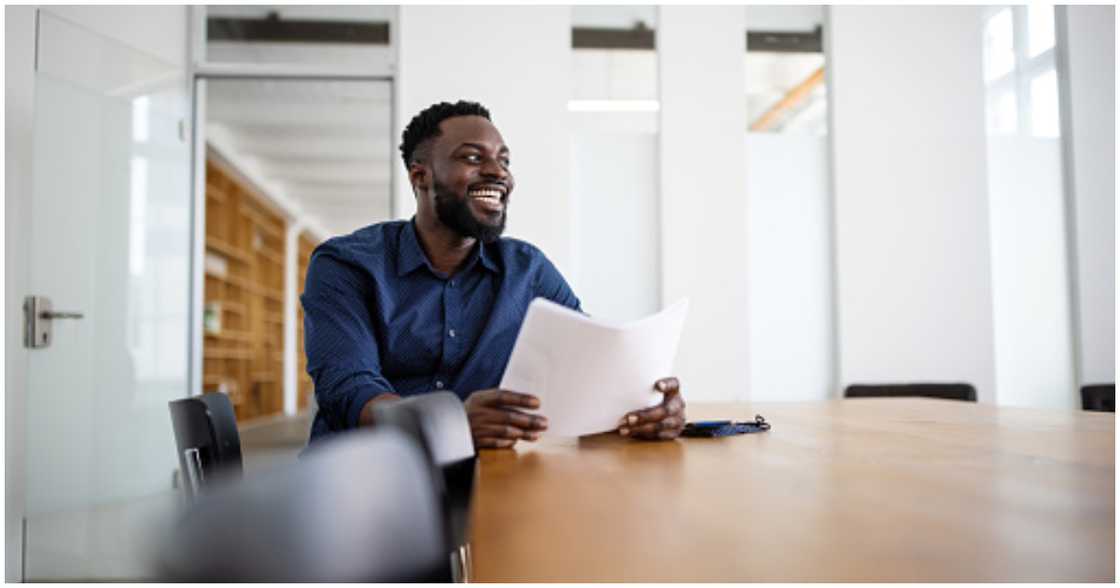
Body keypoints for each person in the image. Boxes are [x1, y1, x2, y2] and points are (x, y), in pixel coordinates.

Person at [301, 100, 685, 449]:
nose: (497, 172)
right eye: (472, 157)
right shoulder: (346, 265)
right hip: (365, 476)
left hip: (485, 477)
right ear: (420, 177)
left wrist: (645, 409)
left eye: (504, 160)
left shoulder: (527, 269)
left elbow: (590, 365)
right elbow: (348, 389)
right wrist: (449, 423)